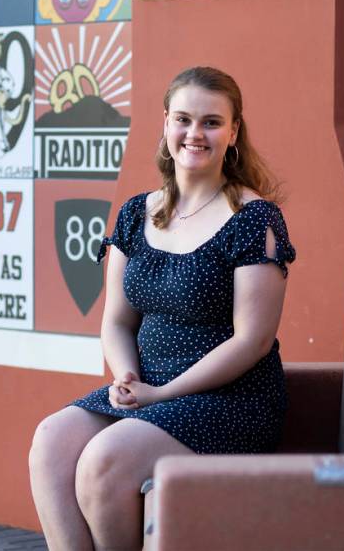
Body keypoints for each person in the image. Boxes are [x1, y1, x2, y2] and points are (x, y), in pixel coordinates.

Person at [29, 66, 296, 551]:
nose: (195, 133)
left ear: (234, 131)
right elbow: (116, 319)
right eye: (184, 119)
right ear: (166, 124)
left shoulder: (255, 219)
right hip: (147, 387)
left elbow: (252, 340)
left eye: (212, 122)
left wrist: (161, 394)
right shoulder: (137, 212)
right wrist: (128, 377)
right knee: (51, 442)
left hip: (228, 400)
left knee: (103, 461)